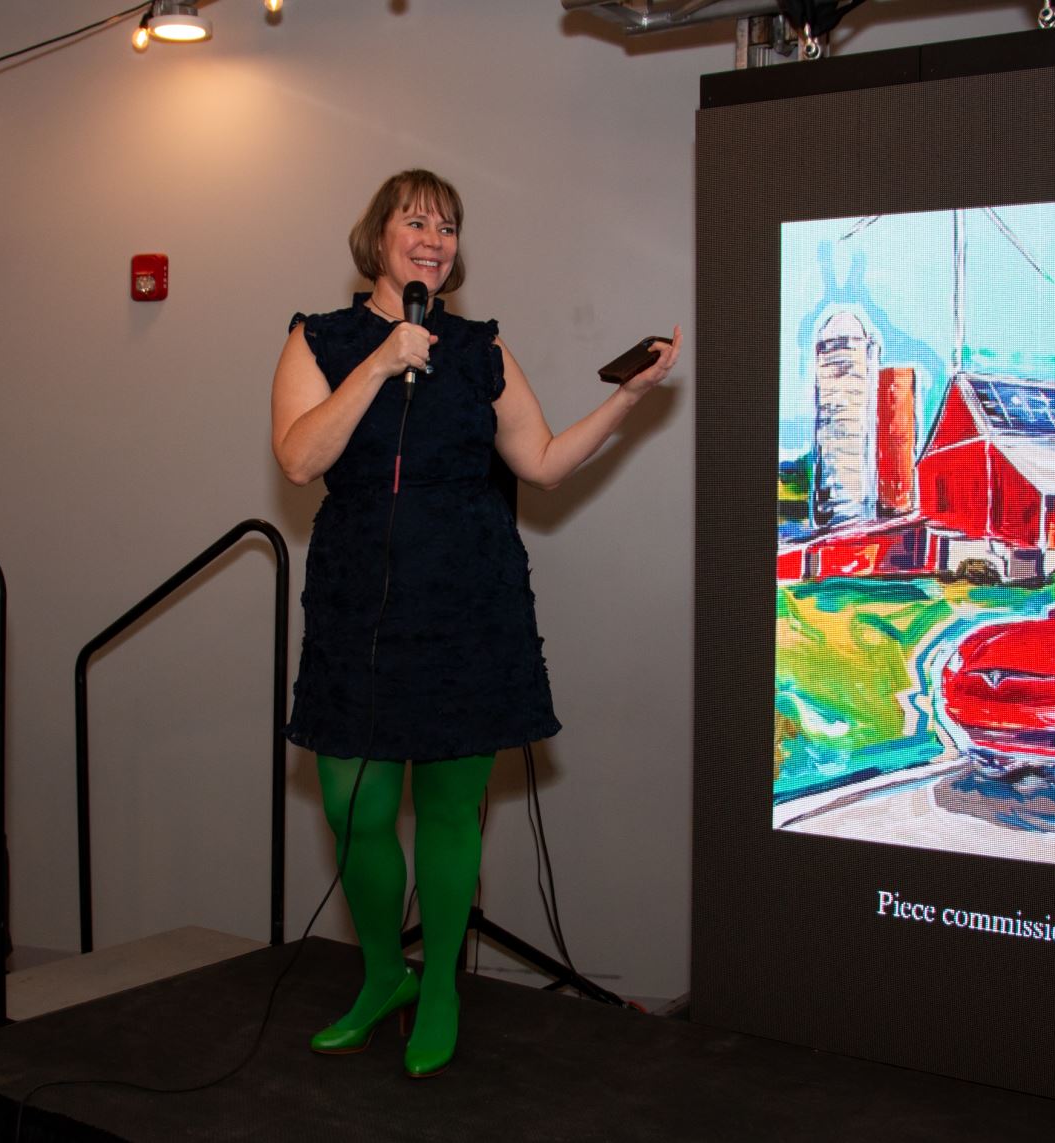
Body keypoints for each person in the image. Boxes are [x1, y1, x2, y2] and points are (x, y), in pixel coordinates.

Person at [271, 169, 680, 1078]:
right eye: (416, 220)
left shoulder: (480, 346)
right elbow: (300, 457)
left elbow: (539, 461)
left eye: (448, 225)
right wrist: (382, 360)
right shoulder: (322, 338)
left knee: (453, 808)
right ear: (377, 235)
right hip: (359, 606)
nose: (434, 237)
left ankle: (443, 984)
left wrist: (628, 400)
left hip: (466, 598)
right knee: (354, 804)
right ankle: (385, 974)